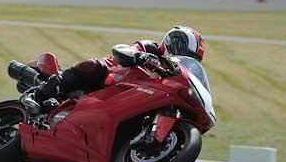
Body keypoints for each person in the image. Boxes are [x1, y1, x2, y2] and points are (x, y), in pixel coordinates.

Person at [28, 26, 205, 108]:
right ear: (172, 42)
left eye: (192, 57)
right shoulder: (150, 48)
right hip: (112, 77)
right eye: (185, 52)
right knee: (92, 66)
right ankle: (40, 94)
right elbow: (121, 50)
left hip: (132, 96)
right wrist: (139, 56)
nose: (185, 57)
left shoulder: (174, 72)